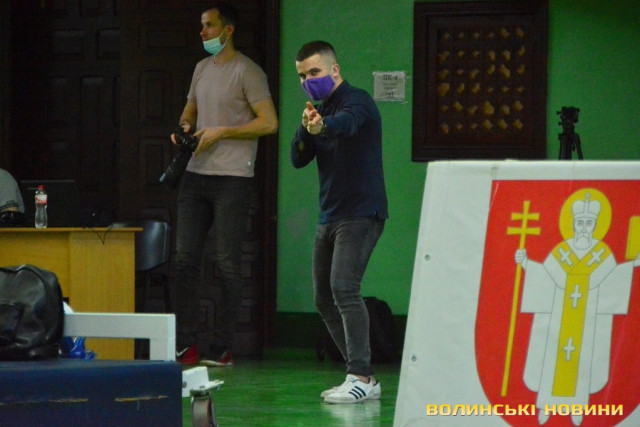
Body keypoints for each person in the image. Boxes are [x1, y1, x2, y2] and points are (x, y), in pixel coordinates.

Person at [172, 2, 278, 366]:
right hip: (195, 174)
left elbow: (269, 123)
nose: (202, 32)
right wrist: (184, 129)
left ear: (228, 30)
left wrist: (223, 131)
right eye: (202, 26)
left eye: (209, 25)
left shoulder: (248, 71)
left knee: (227, 262)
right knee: (184, 260)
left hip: (232, 177)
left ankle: (222, 345)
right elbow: (189, 112)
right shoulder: (201, 68)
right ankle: (185, 344)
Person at [291, 41, 388, 404]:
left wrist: (323, 127)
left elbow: (346, 125)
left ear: (334, 70)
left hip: (361, 213)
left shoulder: (357, 101)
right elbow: (297, 159)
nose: (308, 81)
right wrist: (307, 129)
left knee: (344, 289)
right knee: (323, 297)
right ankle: (362, 375)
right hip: (329, 215)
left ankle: (359, 375)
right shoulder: (316, 112)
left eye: (314, 72)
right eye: (302, 76)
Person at [515, 190, 640, 426]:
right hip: (558, 315)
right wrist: (526, 264)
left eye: (588, 224)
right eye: (580, 223)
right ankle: (547, 406)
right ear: (573, 224)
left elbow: (613, 278)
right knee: (553, 356)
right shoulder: (562, 251)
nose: (584, 228)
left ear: (595, 226)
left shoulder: (601, 254)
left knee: (583, 359)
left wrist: (633, 265)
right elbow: (545, 276)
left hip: (587, 320)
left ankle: (577, 407)